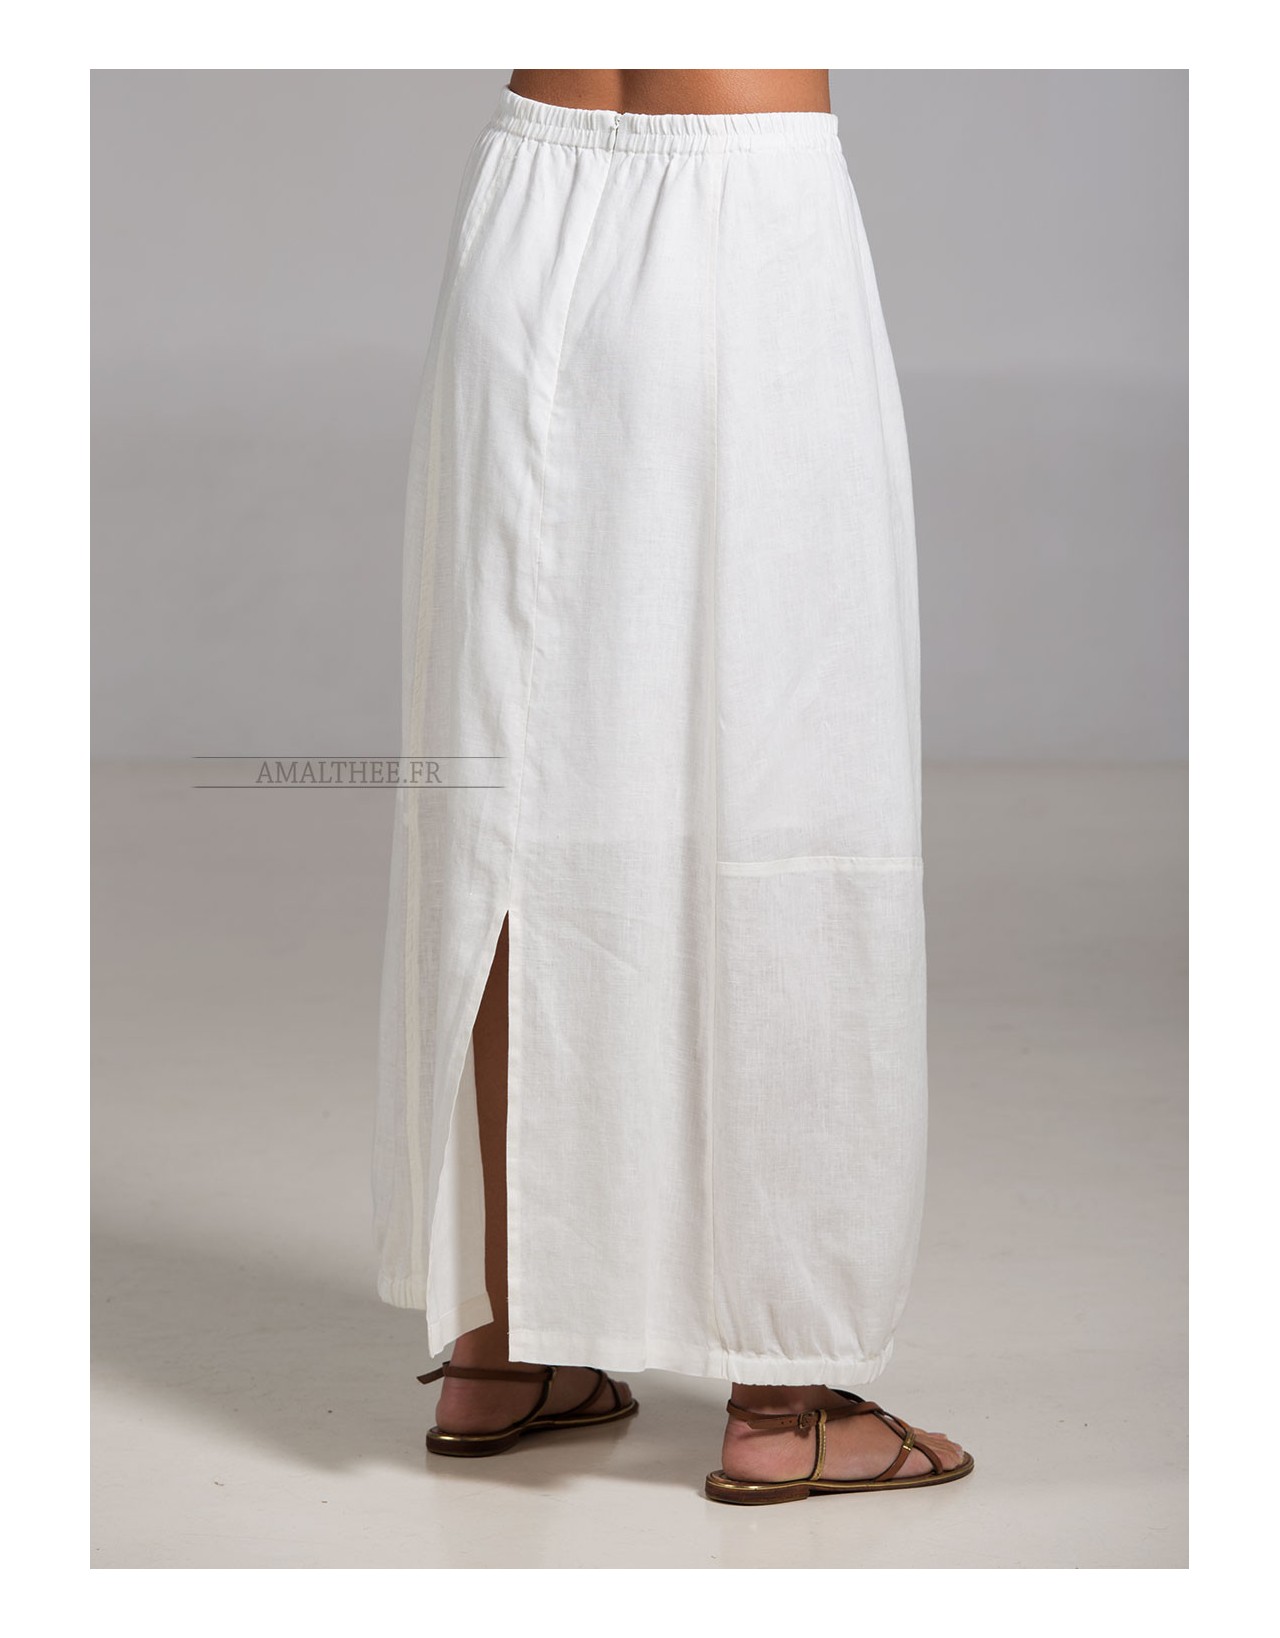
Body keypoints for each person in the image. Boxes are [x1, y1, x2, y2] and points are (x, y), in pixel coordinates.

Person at [374, 68, 973, 1504]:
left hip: (524, 207)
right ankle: (788, 1398)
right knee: (793, 779)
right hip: (742, 211)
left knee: (509, 803)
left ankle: (501, 1345)